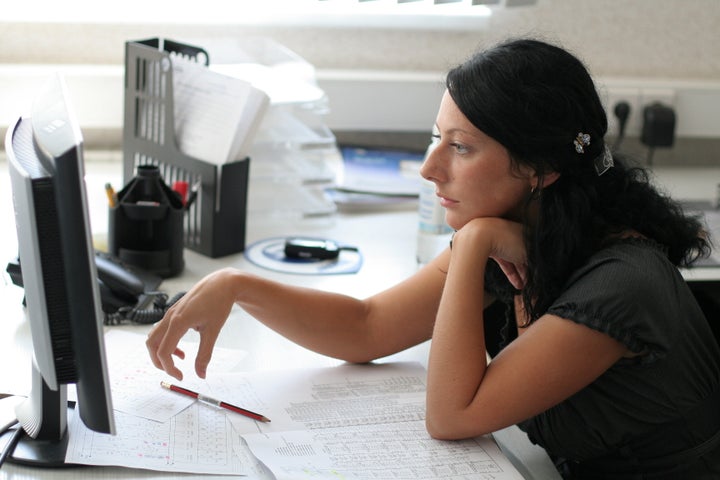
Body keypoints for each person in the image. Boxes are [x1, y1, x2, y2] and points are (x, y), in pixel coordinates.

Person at [146, 38, 720, 479]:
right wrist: (237, 285)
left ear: (542, 169)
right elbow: (366, 327)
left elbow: (452, 416)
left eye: (461, 147)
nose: (429, 168)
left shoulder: (617, 285)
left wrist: (470, 248)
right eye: (435, 137)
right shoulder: (525, 231)